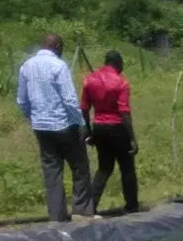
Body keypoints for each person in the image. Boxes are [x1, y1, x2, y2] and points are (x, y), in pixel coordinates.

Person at [15, 33, 90, 221]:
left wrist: (34, 118)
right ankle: (81, 211)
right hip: (64, 124)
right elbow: (69, 99)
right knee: (79, 167)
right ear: (56, 46)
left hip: (41, 127)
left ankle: (57, 216)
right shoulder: (59, 65)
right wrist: (81, 123)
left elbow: (22, 100)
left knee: (52, 171)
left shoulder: (27, 66)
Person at [79, 50, 139, 214]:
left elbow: (84, 108)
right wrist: (132, 137)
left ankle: (90, 206)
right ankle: (131, 206)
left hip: (99, 126)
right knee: (127, 167)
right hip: (118, 128)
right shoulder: (121, 83)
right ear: (118, 64)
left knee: (104, 168)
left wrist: (88, 130)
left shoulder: (90, 80)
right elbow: (124, 111)